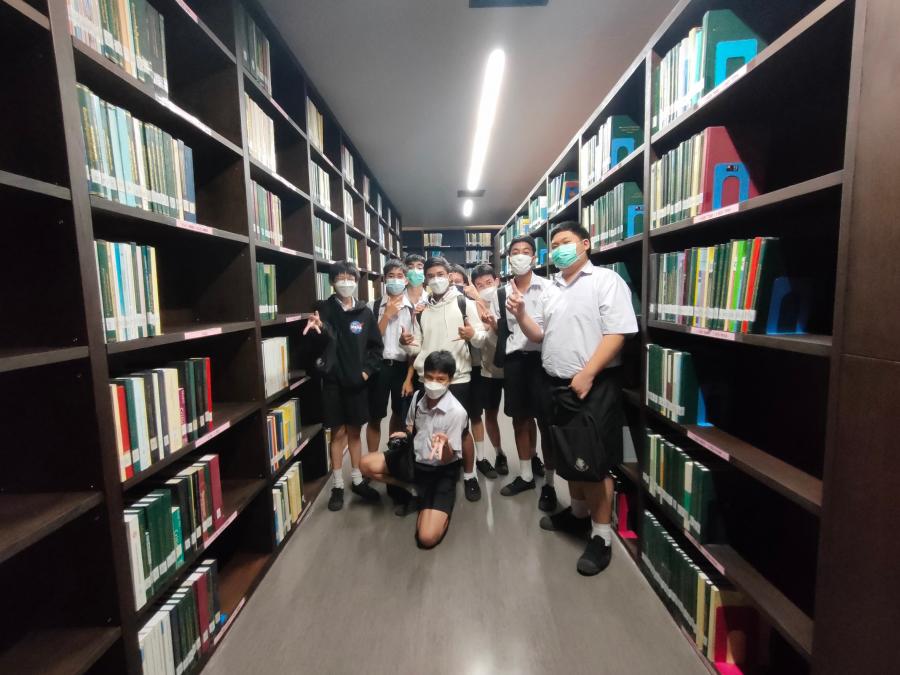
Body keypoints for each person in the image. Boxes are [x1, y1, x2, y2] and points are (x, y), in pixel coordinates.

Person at [507, 221, 638, 576]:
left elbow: (618, 333)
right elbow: (539, 335)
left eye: (565, 242)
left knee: (594, 463)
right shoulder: (552, 288)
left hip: (592, 385)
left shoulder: (605, 281)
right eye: (553, 245)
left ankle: (601, 537)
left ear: (586, 244)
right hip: (556, 385)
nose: (558, 249)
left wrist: (589, 372)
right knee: (569, 455)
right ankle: (578, 515)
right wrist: (521, 314)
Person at [359, 350, 468, 549]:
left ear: (450, 380)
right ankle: (411, 488)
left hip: (439, 472)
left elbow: (448, 459)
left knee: (426, 538)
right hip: (413, 460)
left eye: (440, 379)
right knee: (365, 464)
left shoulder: (457, 412)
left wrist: (445, 445)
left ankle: (429, 502)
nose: (434, 383)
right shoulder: (418, 397)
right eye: (430, 377)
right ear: (423, 376)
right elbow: (411, 425)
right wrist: (405, 435)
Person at [401, 256, 488, 501]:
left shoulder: (464, 303)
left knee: (463, 431)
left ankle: (469, 476)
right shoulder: (422, 310)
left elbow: (482, 338)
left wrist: (472, 334)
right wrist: (405, 343)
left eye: (440, 274)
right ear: (425, 280)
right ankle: (432, 470)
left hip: (458, 378)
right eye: (430, 276)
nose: (435, 279)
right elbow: (416, 346)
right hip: (427, 379)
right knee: (426, 427)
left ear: (449, 276)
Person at [303, 261, 382, 512]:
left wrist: (365, 373)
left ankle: (357, 479)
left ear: (357, 281)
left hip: (357, 383)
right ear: (331, 281)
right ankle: (337, 484)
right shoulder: (323, 309)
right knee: (337, 434)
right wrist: (319, 329)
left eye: (350, 278)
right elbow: (321, 342)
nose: (346, 282)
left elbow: (375, 347)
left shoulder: (365, 312)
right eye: (340, 278)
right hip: (333, 383)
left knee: (355, 432)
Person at [487, 235, 552, 508]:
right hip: (515, 362)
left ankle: (549, 483)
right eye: (515, 252)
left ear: (534, 258)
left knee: (546, 423)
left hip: (543, 361)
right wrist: (491, 324)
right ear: (508, 258)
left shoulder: (548, 288)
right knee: (519, 419)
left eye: (526, 251)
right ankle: (525, 475)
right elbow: (501, 330)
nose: (521, 256)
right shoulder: (500, 293)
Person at [448, 264, 496, 479]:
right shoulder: (435, 304)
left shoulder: (470, 303)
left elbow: (483, 332)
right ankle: (456, 456)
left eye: (459, 282)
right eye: (451, 282)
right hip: (452, 367)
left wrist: (473, 331)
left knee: (475, 414)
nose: (454, 286)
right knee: (452, 416)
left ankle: (481, 458)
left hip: (474, 366)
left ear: (466, 285)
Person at [366, 259, 415, 456]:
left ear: (406, 280)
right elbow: (370, 340)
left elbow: (416, 348)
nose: (395, 280)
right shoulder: (372, 306)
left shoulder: (413, 308)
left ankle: (392, 455)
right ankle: (372, 458)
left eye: (400, 276)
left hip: (402, 368)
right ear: (384, 279)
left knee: (399, 414)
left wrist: (409, 378)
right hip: (378, 367)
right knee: (375, 415)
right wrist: (386, 315)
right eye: (391, 276)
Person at [469, 264, 507, 476]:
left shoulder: (508, 298)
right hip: (489, 369)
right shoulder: (472, 306)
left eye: (488, 283)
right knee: (490, 415)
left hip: (512, 367)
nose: (485, 288)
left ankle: (533, 457)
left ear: (497, 281)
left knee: (523, 418)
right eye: (480, 285)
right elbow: (477, 336)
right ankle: (499, 453)